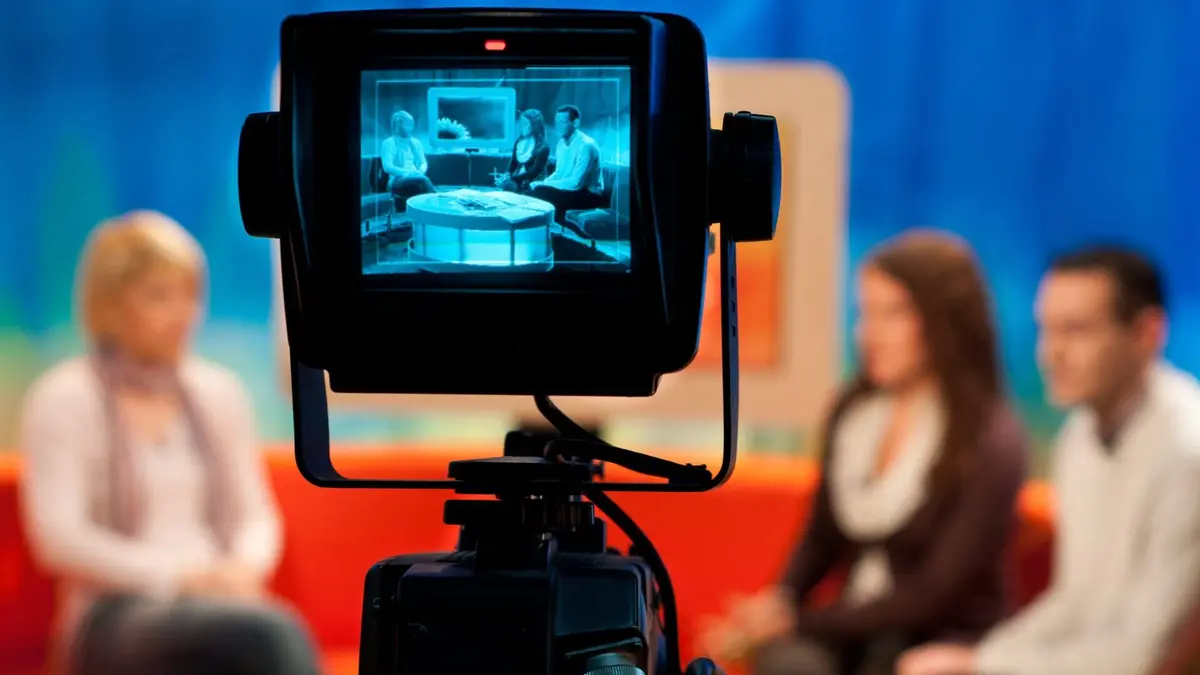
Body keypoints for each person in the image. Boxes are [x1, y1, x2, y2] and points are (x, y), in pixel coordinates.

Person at [699, 230, 1029, 675]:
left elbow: (933, 592)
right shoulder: (854, 410)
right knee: (789, 664)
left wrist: (797, 622)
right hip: (856, 627)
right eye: (865, 313)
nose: (870, 334)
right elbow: (821, 537)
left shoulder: (992, 440)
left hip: (943, 636)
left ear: (944, 320)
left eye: (892, 315)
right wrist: (779, 604)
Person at [19, 210, 319, 675]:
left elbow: (255, 516)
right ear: (110, 305)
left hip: (222, 602)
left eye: (190, 295)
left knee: (257, 631)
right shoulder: (66, 397)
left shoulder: (219, 392)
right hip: (114, 611)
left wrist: (239, 571)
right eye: (160, 296)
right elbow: (59, 538)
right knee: (270, 634)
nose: (183, 314)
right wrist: (178, 577)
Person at [898, 246, 1200, 675]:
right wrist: (981, 658)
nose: (1050, 353)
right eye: (1047, 330)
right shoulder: (1079, 434)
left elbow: (1146, 655)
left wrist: (983, 663)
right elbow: (1075, 602)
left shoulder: (1187, 454)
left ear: (1146, 334)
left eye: (1075, 330)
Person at [530, 105, 607, 226]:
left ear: (575, 123)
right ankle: (544, 228)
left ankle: (556, 229)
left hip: (589, 194)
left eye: (562, 122)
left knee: (542, 192)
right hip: (570, 190)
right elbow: (559, 173)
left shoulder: (586, 145)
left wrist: (545, 185)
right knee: (534, 189)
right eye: (557, 123)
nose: (558, 126)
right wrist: (543, 182)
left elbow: (576, 183)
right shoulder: (561, 143)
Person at [381, 110, 435, 209]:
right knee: (422, 181)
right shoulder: (389, 143)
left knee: (420, 181)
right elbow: (387, 167)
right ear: (397, 126)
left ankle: (430, 207)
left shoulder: (416, 142)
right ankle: (435, 204)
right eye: (407, 125)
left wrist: (420, 171)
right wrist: (408, 173)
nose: (410, 128)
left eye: (411, 124)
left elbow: (423, 162)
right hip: (396, 180)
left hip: (416, 176)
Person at [498, 108, 551, 194]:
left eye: (525, 124)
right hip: (519, 179)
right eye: (521, 123)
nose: (522, 127)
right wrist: (507, 174)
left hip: (535, 183)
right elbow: (513, 163)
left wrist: (512, 179)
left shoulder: (543, 147)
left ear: (534, 126)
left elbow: (533, 172)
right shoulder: (519, 142)